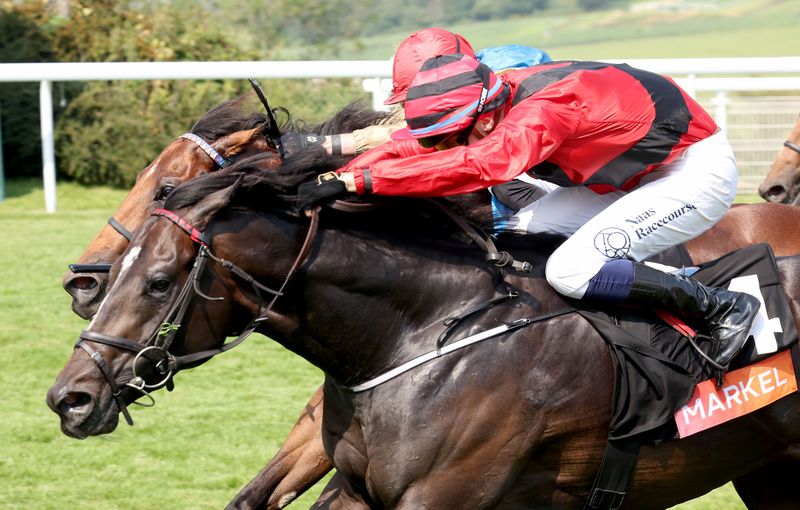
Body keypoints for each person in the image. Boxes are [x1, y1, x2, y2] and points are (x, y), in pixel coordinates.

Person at [297, 53, 760, 373]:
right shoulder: (494, 104)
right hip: (628, 174)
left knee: (571, 271)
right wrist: (335, 174)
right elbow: (414, 145)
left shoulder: (544, 111)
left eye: (445, 138)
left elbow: (482, 165)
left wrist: (361, 182)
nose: (436, 148)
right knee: (513, 231)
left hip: (692, 173)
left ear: (482, 118)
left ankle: (719, 306)